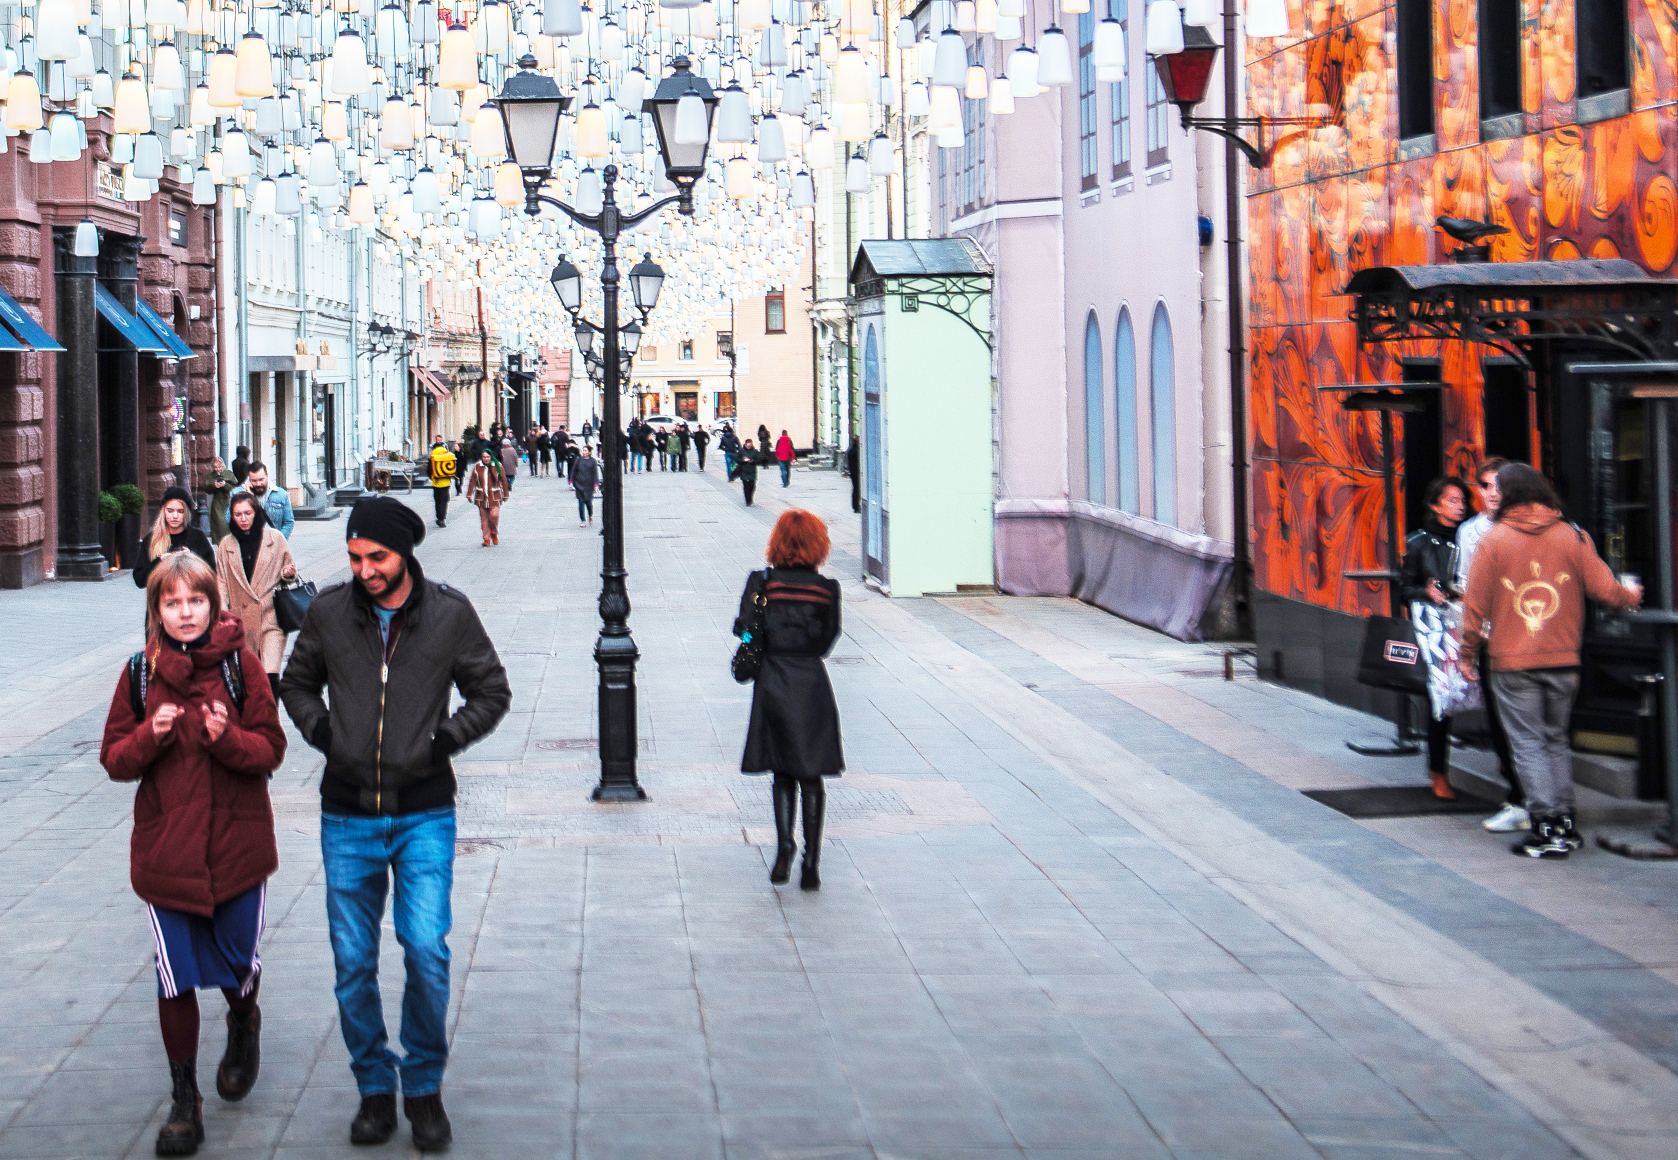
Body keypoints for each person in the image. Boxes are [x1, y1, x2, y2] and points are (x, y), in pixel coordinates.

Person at [280, 497, 510, 1151]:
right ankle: (375, 1090)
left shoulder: (448, 613)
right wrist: (325, 732)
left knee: (425, 951)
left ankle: (425, 1088)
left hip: (423, 812)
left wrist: (443, 742)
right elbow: (296, 684)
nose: (363, 569)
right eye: (354, 557)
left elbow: (492, 690)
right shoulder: (328, 611)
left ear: (404, 553)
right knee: (353, 962)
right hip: (348, 813)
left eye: (374, 557)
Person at [101, 552, 286, 1157]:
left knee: (238, 964)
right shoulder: (137, 674)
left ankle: (243, 1019)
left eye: (196, 600)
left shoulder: (243, 666)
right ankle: (185, 1099)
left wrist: (225, 737)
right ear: (156, 610)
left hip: (238, 847)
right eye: (172, 602)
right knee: (174, 974)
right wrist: (146, 739)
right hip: (165, 852)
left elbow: (270, 750)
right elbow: (113, 760)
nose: (185, 612)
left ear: (214, 603)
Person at [1459, 464, 1642, 859]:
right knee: (1556, 739)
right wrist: (1631, 595)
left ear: (1508, 494)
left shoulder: (1495, 541)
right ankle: (1565, 821)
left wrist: (1467, 653)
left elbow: (1474, 608)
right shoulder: (1572, 535)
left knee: (1528, 743)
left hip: (1513, 661)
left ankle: (1546, 827)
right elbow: (1606, 590)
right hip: (1564, 660)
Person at [735, 510, 844, 890]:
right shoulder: (827, 590)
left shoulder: (761, 583)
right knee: (810, 773)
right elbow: (827, 641)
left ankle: (784, 847)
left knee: (782, 770)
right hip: (811, 683)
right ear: (818, 545)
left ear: (777, 542)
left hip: (772, 681)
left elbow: (745, 629)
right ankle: (812, 861)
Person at [1455, 457, 1526, 832]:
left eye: (1499, 484)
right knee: (1501, 722)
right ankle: (1520, 797)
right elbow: (1468, 590)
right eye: (1485, 485)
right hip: (1493, 638)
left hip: (1532, 634)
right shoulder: (1470, 533)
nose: (1492, 492)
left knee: (1533, 727)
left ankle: (1538, 803)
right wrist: (1471, 645)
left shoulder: (1535, 525)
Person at [1400, 476, 1468, 801]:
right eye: (1452, 500)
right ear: (1435, 504)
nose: (1459, 506)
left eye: (1462, 501)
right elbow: (1404, 589)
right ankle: (1438, 772)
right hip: (1435, 630)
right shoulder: (1417, 542)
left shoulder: (1470, 539)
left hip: (1468, 624)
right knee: (1441, 700)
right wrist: (1425, 593)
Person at [216, 493, 298, 701]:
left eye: (248, 513)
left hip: (271, 617)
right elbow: (222, 582)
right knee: (247, 679)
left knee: (270, 675)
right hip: (240, 619)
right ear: (232, 516)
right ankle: (252, 724)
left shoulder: (275, 538)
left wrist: (288, 575)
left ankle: (270, 724)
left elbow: (288, 570)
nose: (243, 519)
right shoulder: (226, 545)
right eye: (238, 514)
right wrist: (222, 615)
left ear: (256, 512)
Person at [134, 487, 216, 591]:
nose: (175, 516)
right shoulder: (151, 539)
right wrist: (159, 561)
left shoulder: (197, 537)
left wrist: (191, 558)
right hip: (160, 603)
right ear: (163, 511)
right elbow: (139, 580)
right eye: (170, 511)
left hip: (189, 601)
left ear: (186, 513)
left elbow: (212, 574)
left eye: (180, 511)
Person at [465, 448, 508, 547]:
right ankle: (486, 538)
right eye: (484, 457)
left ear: (491, 457)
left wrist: (505, 494)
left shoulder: (497, 466)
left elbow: (503, 481)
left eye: (488, 457)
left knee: (493, 516)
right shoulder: (478, 467)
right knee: (484, 519)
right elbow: (472, 481)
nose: (486, 459)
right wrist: (469, 494)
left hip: (495, 496)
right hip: (481, 497)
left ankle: (494, 532)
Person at [241, 464, 294, 540]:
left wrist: (279, 542)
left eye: (261, 479)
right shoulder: (239, 495)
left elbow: (288, 522)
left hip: (273, 544)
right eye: (254, 481)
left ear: (267, 475)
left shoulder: (281, 494)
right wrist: (248, 497)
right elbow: (231, 521)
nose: (258, 484)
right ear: (249, 480)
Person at [206, 456, 239, 543]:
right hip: (217, 502)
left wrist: (225, 485)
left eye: (219, 467)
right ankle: (220, 543)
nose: (217, 469)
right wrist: (214, 486)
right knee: (219, 525)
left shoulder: (228, 474)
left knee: (228, 524)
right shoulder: (210, 476)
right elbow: (207, 489)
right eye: (215, 467)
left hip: (229, 500)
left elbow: (234, 487)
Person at [426, 436, 456, 528]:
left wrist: (432, 478)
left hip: (436, 483)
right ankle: (443, 518)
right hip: (446, 482)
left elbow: (429, 470)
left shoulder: (432, 457)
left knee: (438, 501)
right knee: (445, 500)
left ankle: (439, 517)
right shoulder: (447, 456)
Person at [572, 445, 602, 527]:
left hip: (589, 485)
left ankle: (590, 515)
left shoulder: (593, 461)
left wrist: (596, 485)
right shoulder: (578, 460)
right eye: (583, 450)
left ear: (589, 452)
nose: (584, 452)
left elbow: (595, 473)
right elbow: (573, 471)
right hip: (579, 484)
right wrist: (571, 481)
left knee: (588, 502)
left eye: (585, 450)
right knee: (581, 502)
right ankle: (582, 520)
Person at [736, 438, 761, 506]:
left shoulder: (755, 451)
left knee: (752, 486)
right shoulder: (741, 451)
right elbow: (737, 459)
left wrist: (752, 461)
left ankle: (750, 497)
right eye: (748, 445)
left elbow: (759, 461)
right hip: (744, 471)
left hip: (752, 471)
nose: (749, 447)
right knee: (746, 486)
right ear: (746, 444)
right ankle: (748, 500)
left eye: (750, 445)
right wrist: (743, 460)